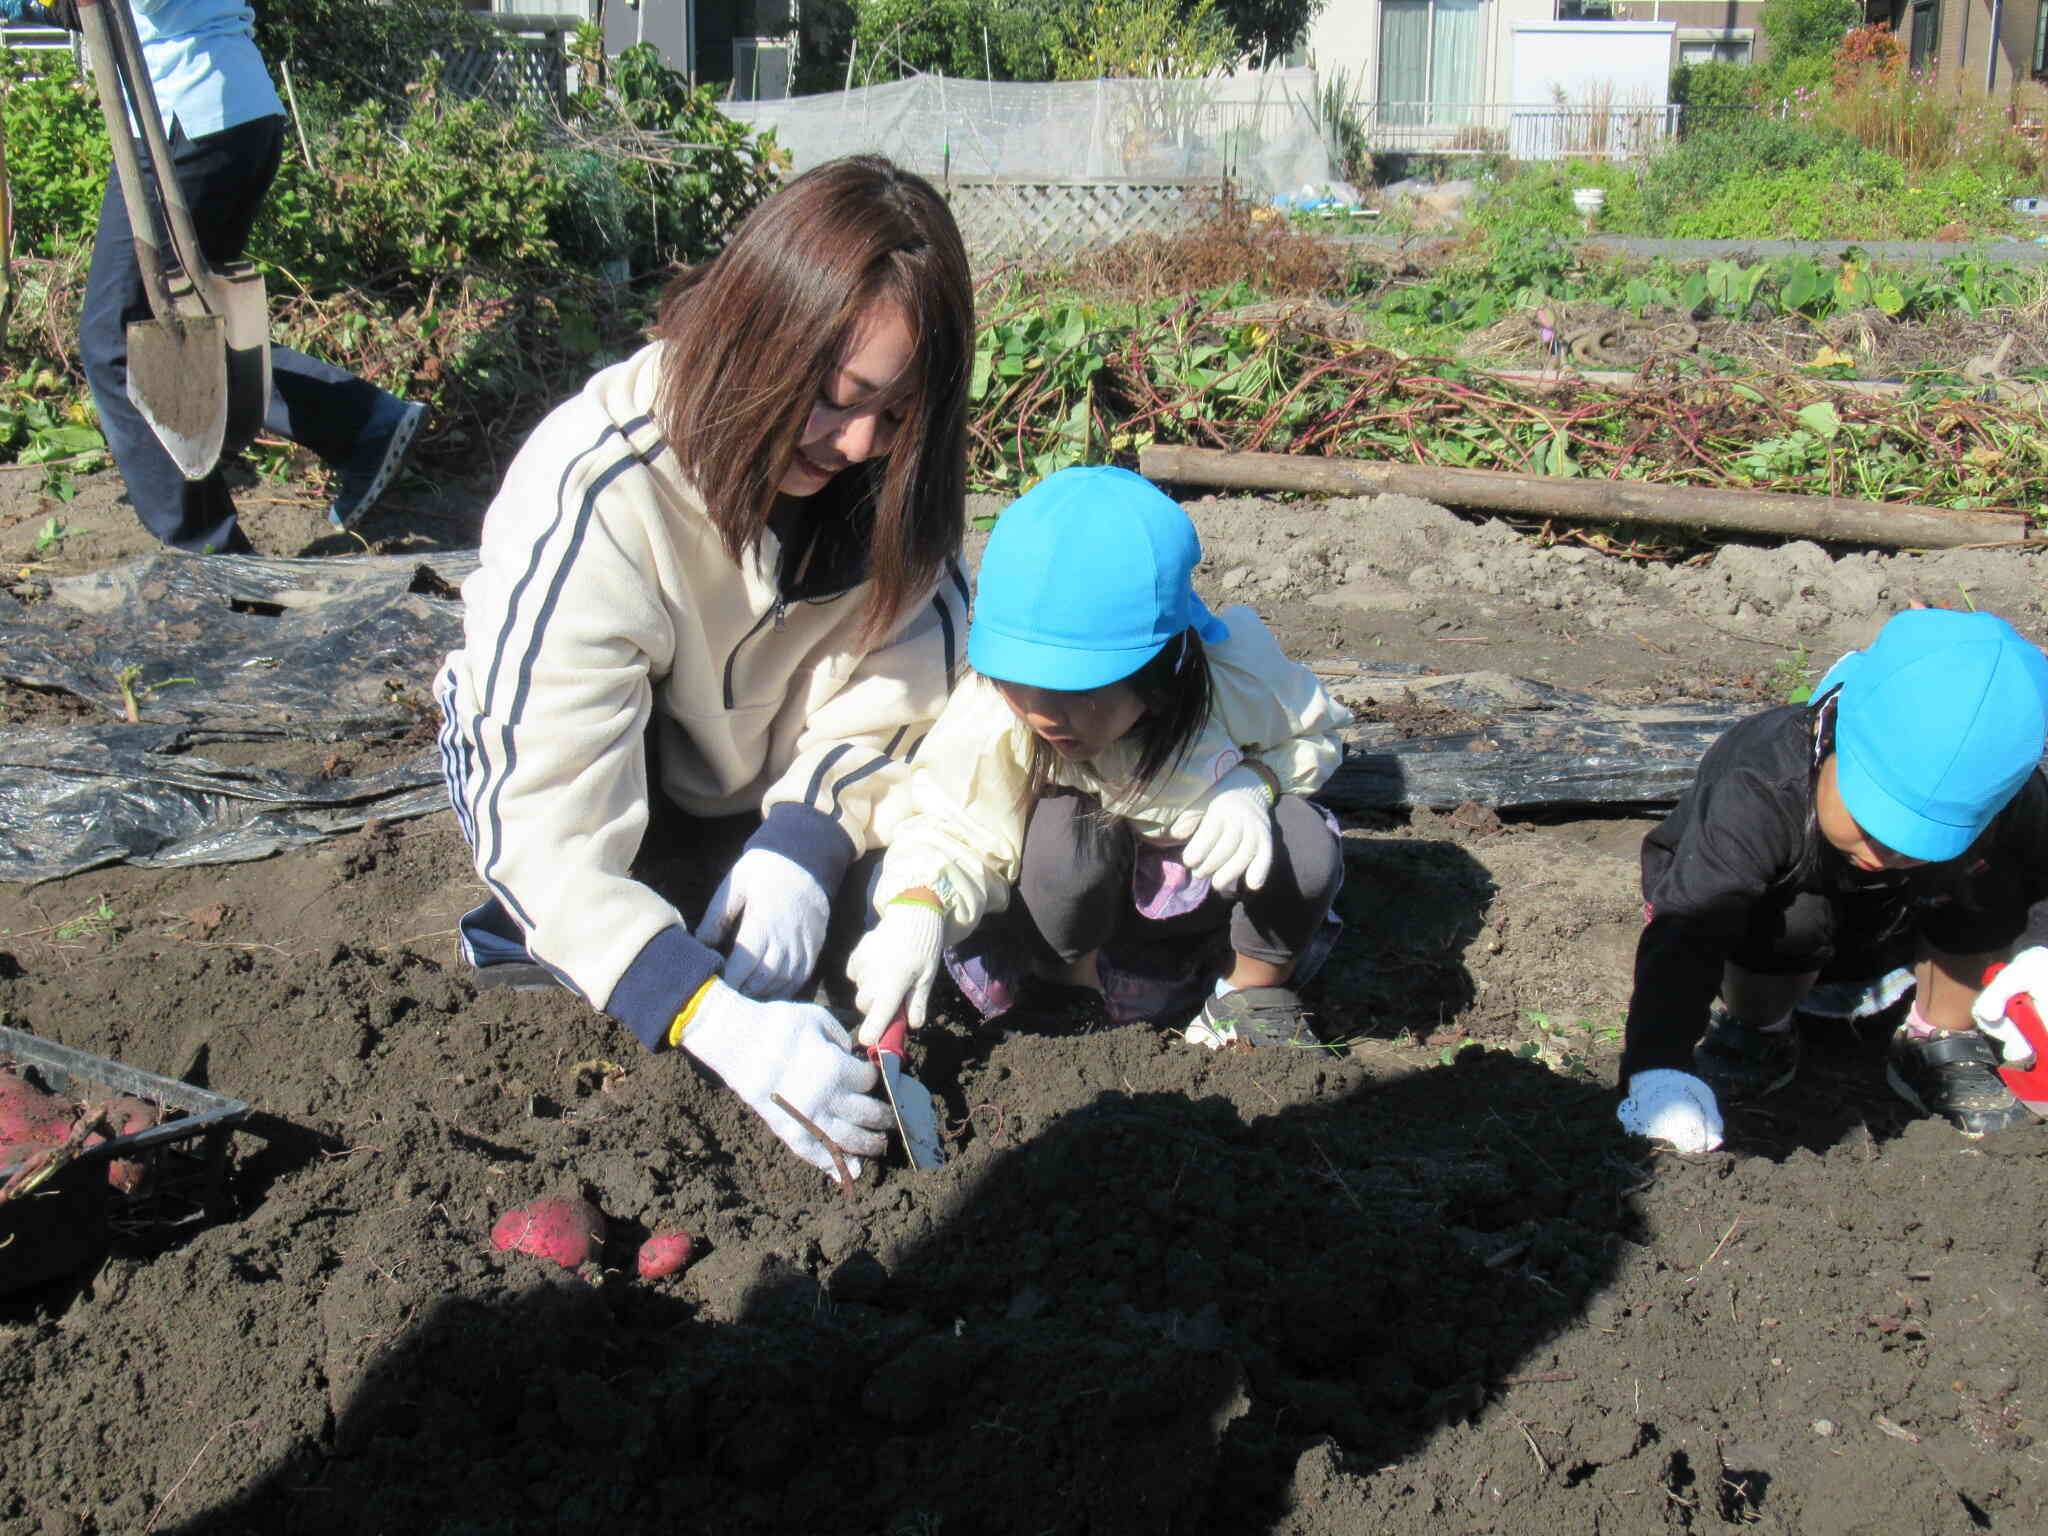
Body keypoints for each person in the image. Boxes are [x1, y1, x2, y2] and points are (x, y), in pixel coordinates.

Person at [436, 155, 975, 1180]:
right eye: (835, 395)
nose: (858, 442)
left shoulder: (883, 481)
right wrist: (708, 1018)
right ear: (756, 336)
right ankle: (622, 930)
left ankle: (725, 880)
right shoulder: (598, 491)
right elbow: (544, 813)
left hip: (759, 774)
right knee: (586, 929)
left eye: (895, 415)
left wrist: (808, 838)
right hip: (604, 766)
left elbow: (911, 687)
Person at [843, 465, 1351, 1054]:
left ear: (1163, 668)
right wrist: (919, 908)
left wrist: (1254, 783)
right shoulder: (991, 714)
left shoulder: (1233, 677)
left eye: (1080, 691)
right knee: (1065, 835)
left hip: (1206, 916)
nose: (1043, 715)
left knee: (1303, 844)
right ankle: (1071, 997)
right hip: (1069, 923)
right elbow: (954, 826)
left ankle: (1247, 996)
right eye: (1018, 683)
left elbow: (1317, 736)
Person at [1617, 607, 2048, 1154]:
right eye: (1874, 822)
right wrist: (1657, 1067)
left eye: (1922, 840)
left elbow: (2036, 882)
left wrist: (2038, 959)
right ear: (1838, 737)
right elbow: (1690, 929)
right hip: (1781, 930)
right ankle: (1759, 1026)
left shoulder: (2014, 803)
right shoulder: (1759, 784)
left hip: (1907, 924)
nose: (1888, 852)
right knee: (1788, 917)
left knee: (1991, 885)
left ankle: (1940, 1032)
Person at [0, 0, 424, 552]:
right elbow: (117, 15)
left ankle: (207, 547)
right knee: (190, 327)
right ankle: (360, 422)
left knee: (118, 340)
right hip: (232, 115)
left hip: (181, 121)